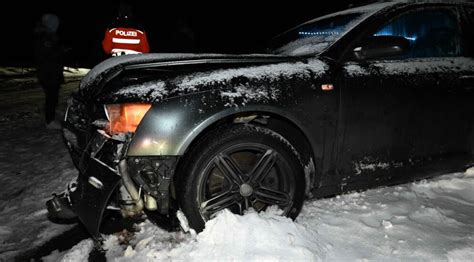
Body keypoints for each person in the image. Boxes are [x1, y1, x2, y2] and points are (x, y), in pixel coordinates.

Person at [34, 13, 64, 129]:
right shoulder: (44, 37)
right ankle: (50, 121)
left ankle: (51, 115)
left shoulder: (49, 36)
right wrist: (57, 51)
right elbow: (43, 55)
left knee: (53, 95)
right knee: (51, 96)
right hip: (48, 72)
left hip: (52, 71)